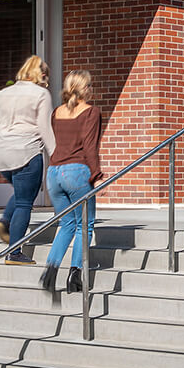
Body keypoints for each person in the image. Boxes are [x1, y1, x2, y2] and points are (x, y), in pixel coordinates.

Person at [0, 55, 56, 266]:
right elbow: (44, 127)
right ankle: (14, 252)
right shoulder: (41, 94)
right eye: (46, 74)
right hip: (27, 150)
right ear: (41, 73)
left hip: (2, 152)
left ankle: (5, 220)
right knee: (25, 202)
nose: (46, 78)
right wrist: (56, 154)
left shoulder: (3, 93)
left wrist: (7, 134)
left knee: (22, 191)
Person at [44, 69, 104, 295]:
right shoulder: (91, 112)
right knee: (84, 225)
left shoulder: (57, 112)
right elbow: (89, 148)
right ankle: (75, 275)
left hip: (54, 173)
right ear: (83, 89)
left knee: (66, 224)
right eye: (90, 86)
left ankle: (50, 270)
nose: (92, 89)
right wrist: (96, 175)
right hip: (76, 172)